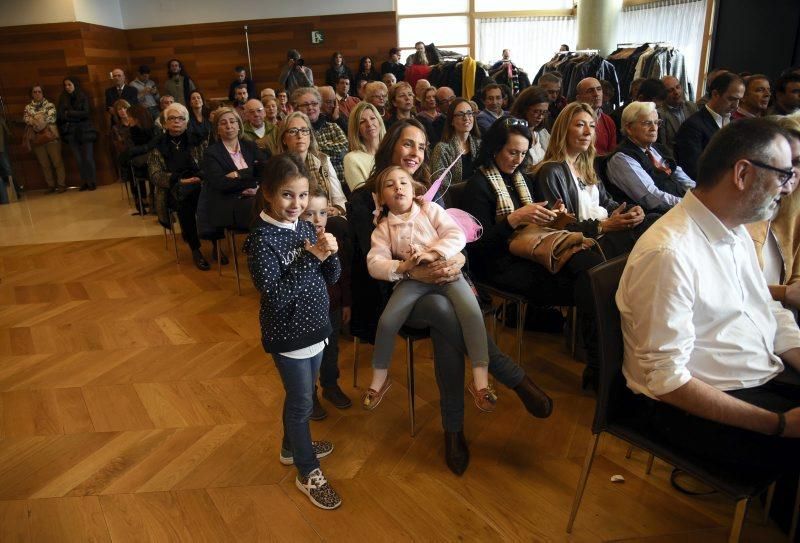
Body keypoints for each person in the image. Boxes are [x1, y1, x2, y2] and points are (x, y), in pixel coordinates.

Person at [348, 119, 554, 475]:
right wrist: (413, 271)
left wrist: (456, 258)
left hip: (444, 279)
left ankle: (453, 428)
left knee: (446, 312)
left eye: (422, 146)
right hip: (397, 293)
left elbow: (457, 239)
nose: (416, 153)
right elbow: (371, 266)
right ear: (391, 144)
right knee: (446, 311)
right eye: (408, 144)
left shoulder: (426, 192)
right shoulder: (365, 199)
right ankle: (509, 378)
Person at [616, 117, 800, 491]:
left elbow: (767, 308)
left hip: (754, 372)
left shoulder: (734, 228)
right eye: (784, 175)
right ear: (743, 174)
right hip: (685, 407)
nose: (790, 187)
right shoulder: (670, 253)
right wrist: (777, 424)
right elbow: (667, 381)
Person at [244, 153, 343, 510]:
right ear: (268, 193)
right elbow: (276, 297)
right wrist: (313, 257)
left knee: (303, 395)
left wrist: (330, 254)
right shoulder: (261, 241)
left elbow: (330, 279)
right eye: (287, 195)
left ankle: (291, 447)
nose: (297, 204)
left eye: (302, 197)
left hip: (317, 327)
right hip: (288, 335)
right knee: (302, 402)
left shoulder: (303, 227)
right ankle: (307, 470)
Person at [364, 165, 495, 411]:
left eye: (403, 182)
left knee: (472, 314)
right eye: (389, 185)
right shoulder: (383, 229)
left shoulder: (430, 209)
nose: (398, 188)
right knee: (387, 321)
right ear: (381, 197)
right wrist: (403, 266)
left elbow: (456, 234)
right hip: (413, 281)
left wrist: (433, 252)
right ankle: (379, 379)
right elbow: (374, 263)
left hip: (448, 274)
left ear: (413, 188)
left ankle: (481, 382)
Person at [533, 102, 653, 259]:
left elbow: (608, 203)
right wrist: (603, 226)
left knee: (651, 220)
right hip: (585, 243)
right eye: (580, 125)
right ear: (564, 131)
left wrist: (630, 211)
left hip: (604, 231)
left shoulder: (586, 166)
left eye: (591, 126)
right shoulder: (551, 171)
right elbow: (557, 227)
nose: (588, 132)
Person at [301, 187, 353, 418]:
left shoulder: (331, 237)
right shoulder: (296, 243)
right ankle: (309, 394)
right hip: (307, 312)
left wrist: (346, 303)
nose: (317, 219)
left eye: (322, 213)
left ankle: (330, 386)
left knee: (331, 351)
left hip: (332, 307)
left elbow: (342, 275)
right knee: (310, 357)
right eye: (309, 213)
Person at [147, 102, 211, 270]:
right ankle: (196, 249)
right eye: (172, 118)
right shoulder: (157, 146)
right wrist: (178, 181)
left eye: (181, 118)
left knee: (209, 200)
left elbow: (208, 165)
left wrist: (200, 177)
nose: (177, 122)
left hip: (199, 183)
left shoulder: (198, 141)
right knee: (185, 203)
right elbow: (155, 175)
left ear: (187, 122)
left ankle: (214, 241)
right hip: (173, 188)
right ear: (165, 122)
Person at [746, 114, 800, 310]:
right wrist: (783, 293)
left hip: (778, 318)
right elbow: (726, 291)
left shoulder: (796, 208)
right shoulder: (738, 213)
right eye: (783, 162)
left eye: (798, 162)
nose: (791, 172)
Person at [199, 107, 268, 256]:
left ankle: (270, 249)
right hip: (229, 203)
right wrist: (252, 178)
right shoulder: (211, 153)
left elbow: (264, 170)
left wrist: (238, 174)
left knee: (273, 204)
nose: (229, 126)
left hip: (256, 195)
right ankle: (263, 252)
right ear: (217, 129)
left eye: (232, 121)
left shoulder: (250, 145)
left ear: (239, 125)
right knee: (261, 208)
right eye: (223, 123)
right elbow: (221, 183)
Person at [606, 101, 695, 213]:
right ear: (629, 128)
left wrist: (699, 195)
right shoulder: (621, 158)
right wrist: (689, 205)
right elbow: (651, 197)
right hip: (657, 217)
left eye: (657, 122)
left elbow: (680, 176)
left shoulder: (658, 149)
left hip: (680, 207)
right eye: (647, 123)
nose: (654, 128)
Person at [675, 72, 744, 180]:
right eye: (731, 99)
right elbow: (692, 169)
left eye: (739, 99)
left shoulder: (735, 123)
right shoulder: (692, 126)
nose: (736, 105)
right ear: (715, 94)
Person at [276, 111, 347, 215]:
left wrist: (337, 209)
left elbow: (339, 197)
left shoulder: (323, 160)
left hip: (325, 214)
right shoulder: (277, 166)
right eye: (293, 131)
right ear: (284, 139)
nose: (300, 135)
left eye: (304, 130)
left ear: (310, 136)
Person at [292, 87, 349, 181]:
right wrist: (329, 151)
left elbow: (343, 151)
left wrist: (312, 150)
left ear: (319, 106)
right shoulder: (295, 132)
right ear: (296, 108)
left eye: (314, 104)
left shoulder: (333, 127)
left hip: (341, 181)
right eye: (305, 105)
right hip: (313, 185)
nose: (310, 108)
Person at [111, 100, 156, 215]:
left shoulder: (151, 127)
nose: (126, 115)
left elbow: (150, 146)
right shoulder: (130, 129)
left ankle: (149, 201)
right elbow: (127, 147)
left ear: (137, 117)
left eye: (129, 114)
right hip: (140, 158)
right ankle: (141, 200)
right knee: (130, 163)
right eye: (120, 110)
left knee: (131, 162)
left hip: (151, 158)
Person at [57, 77, 97, 191]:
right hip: (71, 132)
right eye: (65, 85)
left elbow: (86, 113)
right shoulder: (63, 98)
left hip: (85, 130)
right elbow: (60, 115)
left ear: (74, 85)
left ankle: (92, 181)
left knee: (88, 158)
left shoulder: (82, 96)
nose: (67, 87)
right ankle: (85, 182)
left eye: (69, 84)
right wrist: (73, 115)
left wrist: (69, 113)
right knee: (79, 160)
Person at [24, 85, 66, 193]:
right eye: (35, 92)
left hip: (51, 137)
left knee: (57, 162)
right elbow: (26, 119)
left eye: (39, 91)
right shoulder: (28, 107)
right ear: (32, 94)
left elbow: (51, 118)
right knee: (44, 164)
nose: (37, 93)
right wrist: (39, 118)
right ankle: (51, 186)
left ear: (43, 93)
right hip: (38, 140)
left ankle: (61, 185)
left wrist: (35, 120)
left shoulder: (50, 105)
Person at [431, 98, 480, 185]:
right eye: (460, 114)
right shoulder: (442, 149)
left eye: (469, 113)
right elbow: (441, 186)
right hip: (453, 197)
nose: (466, 118)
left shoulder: (479, 144)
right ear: (452, 121)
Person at [343, 101, 385, 192]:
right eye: (362, 122)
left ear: (380, 122)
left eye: (373, 118)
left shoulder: (392, 151)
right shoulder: (352, 159)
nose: (369, 124)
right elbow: (361, 199)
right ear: (356, 129)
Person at [509, 86, 551, 167]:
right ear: (524, 109)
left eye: (544, 112)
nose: (540, 116)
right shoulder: (513, 132)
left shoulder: (543, 133)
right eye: (536, 111)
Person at [575, 77, 616, 155]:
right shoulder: (571, 119)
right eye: (590, 91)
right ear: (579, 98)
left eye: (599, 89)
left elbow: (611, 153)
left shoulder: (608, 121)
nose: (596, 94)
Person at [657, 75, 697, 152]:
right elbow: (664, 146)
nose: (676, 92)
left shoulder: (692, 107)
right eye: (670, 90)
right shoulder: (660, 114)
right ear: (663, 94)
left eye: (678, 87)